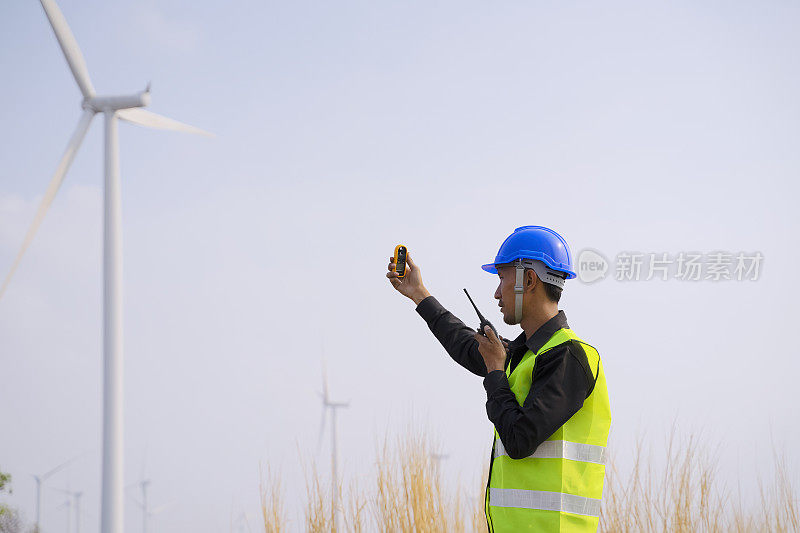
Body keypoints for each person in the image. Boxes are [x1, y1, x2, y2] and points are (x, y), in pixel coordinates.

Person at [385, 225, 612, 532]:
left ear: (528, 280)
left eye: (502, 278)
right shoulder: (524, 355)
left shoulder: (569, 357)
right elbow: (466, 344)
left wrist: (494, 373)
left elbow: (519, 439)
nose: (495, 293)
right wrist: (419, 294)